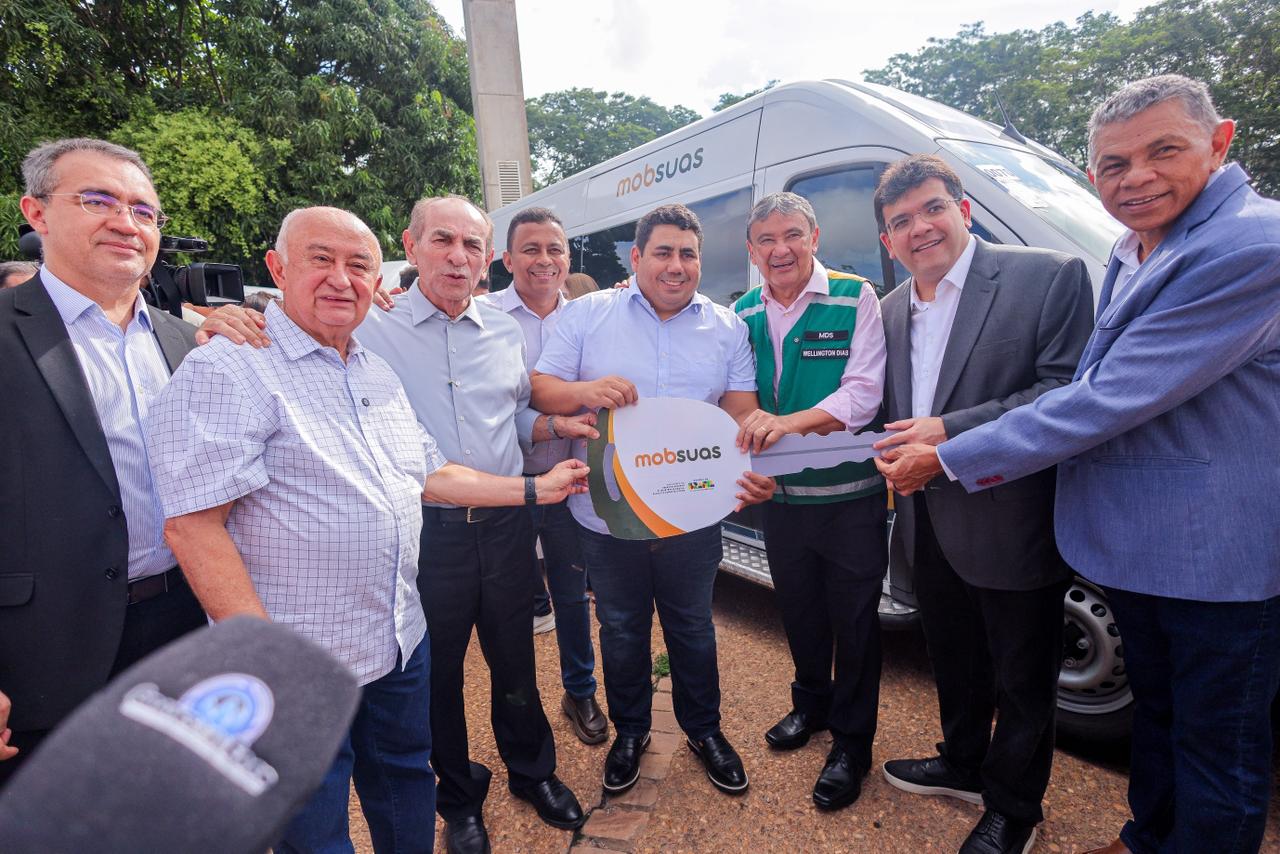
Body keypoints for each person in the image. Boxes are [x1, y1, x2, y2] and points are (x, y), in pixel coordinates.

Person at [880, 75, 1280, 854]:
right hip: (1121, 544)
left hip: (1209, 552)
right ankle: (1140, 836)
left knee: (1214, 750)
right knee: (1160, 720)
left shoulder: (1244, 245)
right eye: (1114, 165)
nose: (1137, 178)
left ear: (1220, 142)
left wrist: (947, 448)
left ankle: (1016, 807)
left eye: (1164, 151)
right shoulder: (1132, 249)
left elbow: (1089, 396)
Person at [148, 206, 589, 853]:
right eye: (320, 259)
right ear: (277, 269)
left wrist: (536, 486)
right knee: (318, 809)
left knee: (410, 772)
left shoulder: (375, 368)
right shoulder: (237, 364)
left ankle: (511, 783)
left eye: (358, 265)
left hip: (399, 632)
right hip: (309, 648)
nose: (341, 278)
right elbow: (192, 525)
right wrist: (265, 657)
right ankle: (450, 804)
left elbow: (432, 471)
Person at [869, 157, 1094, 853]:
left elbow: (1064, 395)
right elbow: (883, 407)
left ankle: (1013, 808)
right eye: (901, 221)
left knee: (1022, 677)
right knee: (954, 655)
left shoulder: (1048, 276)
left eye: (932, 209)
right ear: (888, 241)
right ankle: (963, 761)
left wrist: (946, 434)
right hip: (925, 517)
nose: (919, 228)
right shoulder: (889, 308)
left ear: (963, 211)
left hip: (1010, 517)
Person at [531, 203, 776, 798]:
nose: (676, 265)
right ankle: (632, 732)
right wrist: (587, 390)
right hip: (608, 512)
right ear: (637, 257)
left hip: (692, 511)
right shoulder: (589, 314)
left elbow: (739, 412)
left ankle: (704, 730)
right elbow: (541, 388)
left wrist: (751, 466)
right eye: (663, 252)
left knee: (693, 626)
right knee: (620, 627)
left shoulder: (727, 328)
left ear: (700, 261)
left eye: (688, 254)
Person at [0, 139, 207, 791]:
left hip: (182, 625)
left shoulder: (187, 343)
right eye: (98, 201)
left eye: (144, 211)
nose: (126, 222)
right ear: (36, 212)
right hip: (41, 653)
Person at [729, 192, 888, 812]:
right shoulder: (741, 312)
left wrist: (787, 424)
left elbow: (863, 395)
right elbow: (732, 396)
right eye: (766, 240)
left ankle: (852, 743)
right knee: (798, 611)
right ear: (751, 250)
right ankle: (811, 707)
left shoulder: (854, 297)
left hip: (849, 497)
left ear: (814, 237)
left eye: (792, 235)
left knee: (855, 623)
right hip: (780, 500)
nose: (780, 250)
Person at [478, 207, 607, 746]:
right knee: (508, 605)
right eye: (530, 249)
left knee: (572, 595)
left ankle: (580, 691)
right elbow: (486, 406)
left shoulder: (591, 317)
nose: (544, 260)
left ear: (568, 258)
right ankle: (520, 706)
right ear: (507, 260)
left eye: (555, 249)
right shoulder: (480, 316)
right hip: (505, 485)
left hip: (570, 481)